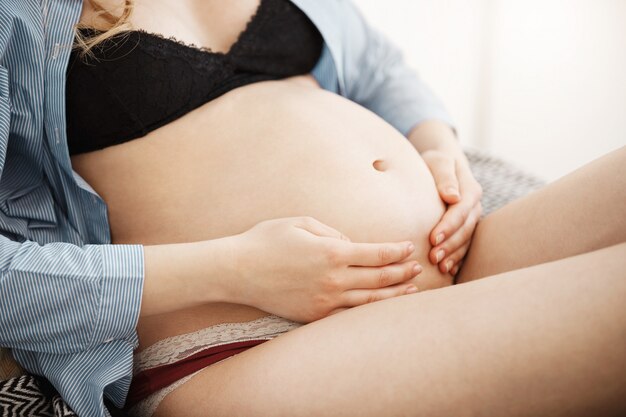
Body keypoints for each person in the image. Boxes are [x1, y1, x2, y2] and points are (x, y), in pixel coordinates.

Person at [0, 1, 624, 416]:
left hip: (441, 260)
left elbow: (378, 65)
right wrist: (236, 269)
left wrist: (437, 146)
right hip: (246, 348)